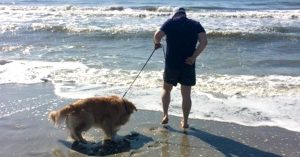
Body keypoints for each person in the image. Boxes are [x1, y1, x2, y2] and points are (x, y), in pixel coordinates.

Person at [153, 7, 207, 128]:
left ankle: (165, 115)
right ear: (185, 14)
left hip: (171, 63)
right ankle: (185, 122)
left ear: (175, 15)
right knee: (186, 95)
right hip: (188, 63)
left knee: (166, 89)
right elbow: (204, 42)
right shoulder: (195, 24)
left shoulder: (170, 23)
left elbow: (157, 35)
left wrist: (157, 43)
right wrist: (194, 57)